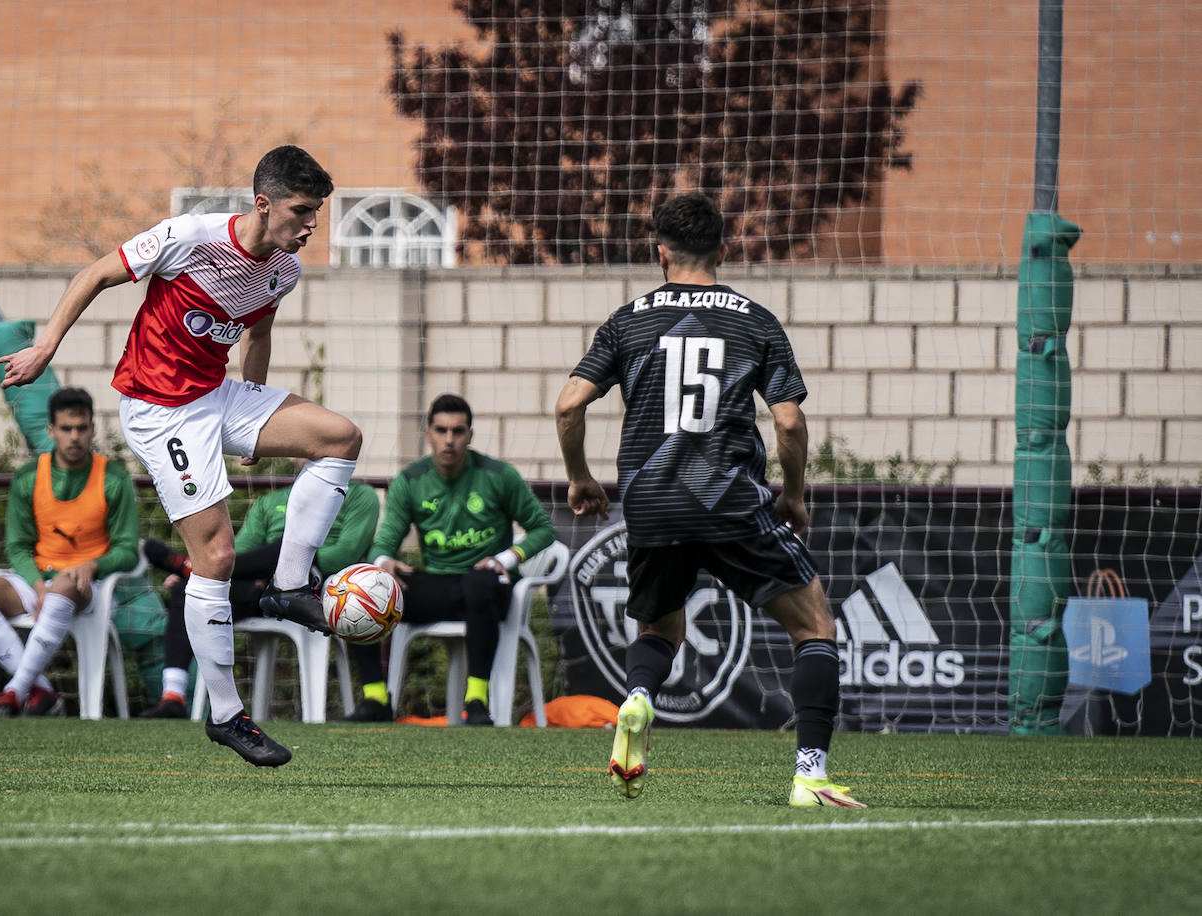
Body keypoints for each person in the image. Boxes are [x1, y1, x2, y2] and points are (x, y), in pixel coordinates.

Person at [0, 146, 362, 767]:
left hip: (216, 396)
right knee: (214, 555)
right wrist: (45, 345)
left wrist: (256, 418)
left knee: (340, 437)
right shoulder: (190, 238)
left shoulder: (283, 270)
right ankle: (226, 715)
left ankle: (291, 585)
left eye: (317, 213)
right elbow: (95, 274)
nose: (311, 225)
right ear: (263, 204)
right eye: (303, 211)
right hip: (158, 408)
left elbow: (258, 334)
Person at [554, 192, 865, 807]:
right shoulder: (752, 319)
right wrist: (795, 495)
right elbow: (790, 423)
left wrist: (580, 477)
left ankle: (638, 699)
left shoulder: (628, 320)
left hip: (651, 501)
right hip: (728, 498)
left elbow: (568, 405)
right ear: (723, 249)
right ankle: (809, 774)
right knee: (815, 627)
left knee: (660, 627)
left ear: (659, 251)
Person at [355, 394, 555, 725]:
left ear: (470, 435)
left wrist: (506, 558)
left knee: (480, 582)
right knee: (363, 589)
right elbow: (385, 540)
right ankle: (376, 699)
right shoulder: (410, 480)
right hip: (438, 586)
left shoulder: (499, 475)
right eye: (442, 430)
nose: (450, 440)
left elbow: (542, 530)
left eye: (458, 431)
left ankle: (476, 698)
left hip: (487, 590)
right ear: (428, 433)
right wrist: (382, 561)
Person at [0, 388, 140, 716]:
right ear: (51, 430)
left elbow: (129, 551)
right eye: (67, 429)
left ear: (93, 428)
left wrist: (92, 566)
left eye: (82, 428)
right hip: (38, 583)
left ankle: (15, 690)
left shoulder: (113, 477)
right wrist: (38, 584)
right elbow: (16, 546)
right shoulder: (28, 476)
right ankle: (39, 689)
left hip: (89, 590)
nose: (75, 437)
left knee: (66, 583)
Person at [140, 479, 379, 718]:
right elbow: (239, 553)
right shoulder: (270, 502)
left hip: (314, 590)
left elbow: (346, 553)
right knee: (188, 590)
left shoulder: (358, 494)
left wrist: (289, 564)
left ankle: (194, 567)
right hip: (262, 590)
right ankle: (173, 695)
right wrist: (209, 577)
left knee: (289, 548)